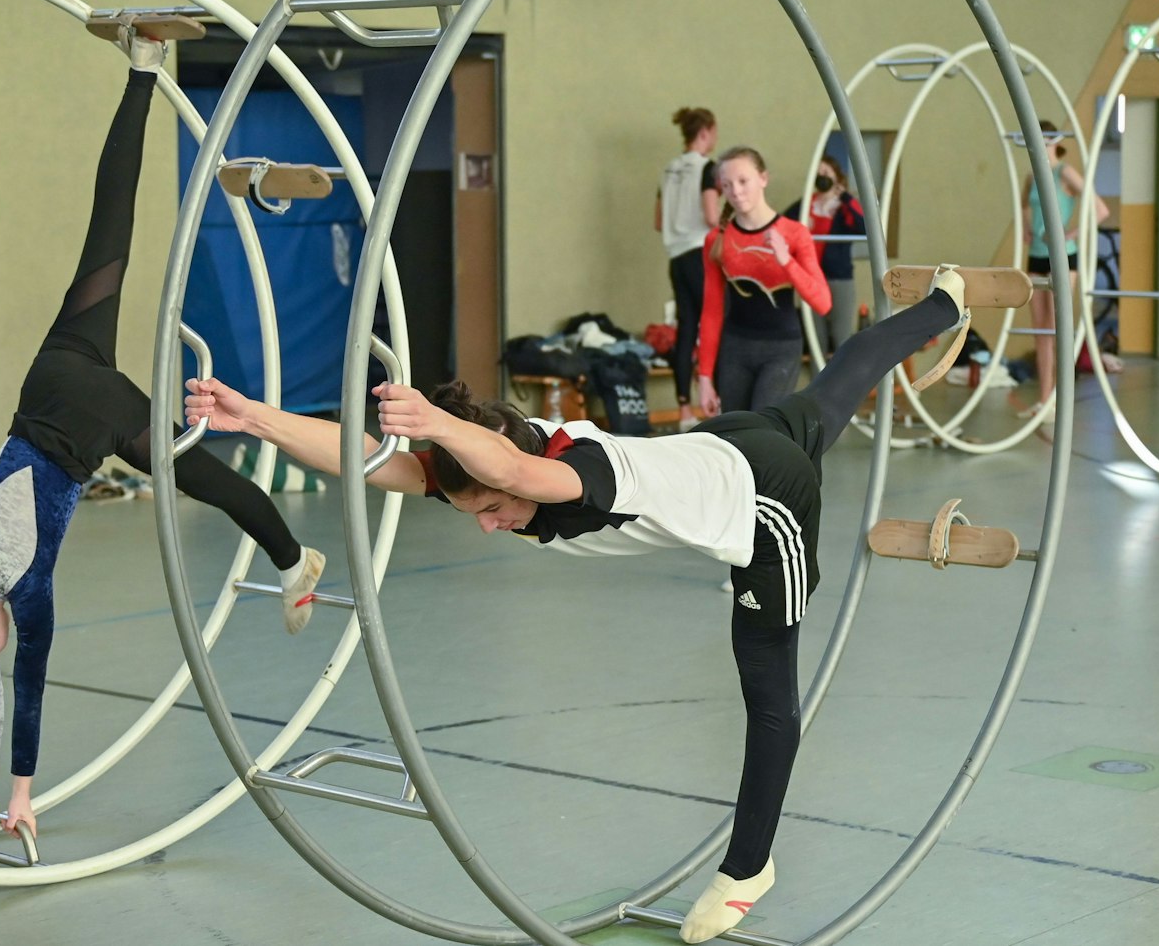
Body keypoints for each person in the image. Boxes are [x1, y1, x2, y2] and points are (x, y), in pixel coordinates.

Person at [184, 269, 971, 944]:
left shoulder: (572, 470)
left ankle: (748, 866)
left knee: (767, 686)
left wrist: (440, 420)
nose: (490, 523)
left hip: (765, 502)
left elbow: (520, 482)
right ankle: (945, 301)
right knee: (838, 384)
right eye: (478, 514)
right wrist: (254, 416)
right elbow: (370, 461)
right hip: (724, 440)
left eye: (492, 508)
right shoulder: (497, 453)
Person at [0, 28, 325, 841]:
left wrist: (18, 790)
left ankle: (293, 559)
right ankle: (143, 67)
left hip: (87, 415)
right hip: (53, 375)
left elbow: (22, 689)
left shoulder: (18, 593)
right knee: (110, 227)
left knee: (201, 479)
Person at [697, 147, 833, 416]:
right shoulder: (716, 240)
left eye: (743, 181)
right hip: (735, 348)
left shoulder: (794, 234)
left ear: (763, 178)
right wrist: (704, 377)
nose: (735, 191)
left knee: (763, 428)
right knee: (734, 433)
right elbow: (711, 311)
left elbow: (823, 303)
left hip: (781, 349)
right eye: (727, 185)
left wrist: (786, 260)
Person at [1018, 121, 1107, 419]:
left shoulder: (1064, 173)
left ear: (1054, 142)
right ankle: (1044, 399)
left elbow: (1100, 208)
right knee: (1040, 332)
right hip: (1036, 256)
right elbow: (1025, 207)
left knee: (1057, 328)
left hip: (1063, 257)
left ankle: (1060, 394)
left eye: (1041, 140)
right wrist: (1028, 230)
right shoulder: (1032, 177)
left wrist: (1073, 234)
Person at [658, 107, 720, 430]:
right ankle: (717, 403)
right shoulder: (707, 168)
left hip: (675, 257)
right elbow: (712, 216)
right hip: (699, 252)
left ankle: (684, 412)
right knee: (713, 324)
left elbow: (658, 221)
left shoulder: (668, 170)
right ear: (706, 132)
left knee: (686, 331)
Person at [782, 155, 865, 356]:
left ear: (836, 175)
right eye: (818, 174)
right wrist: (799, 229)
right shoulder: (806, 205)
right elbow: (781, 225)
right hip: (811, 278)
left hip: (839, 278)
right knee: (815, 338)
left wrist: (845, 197)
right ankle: (818, 385)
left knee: (841, 336)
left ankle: (844, 385)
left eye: (826, 173)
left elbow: (864, 227)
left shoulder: (844, 206)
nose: (822, 177)